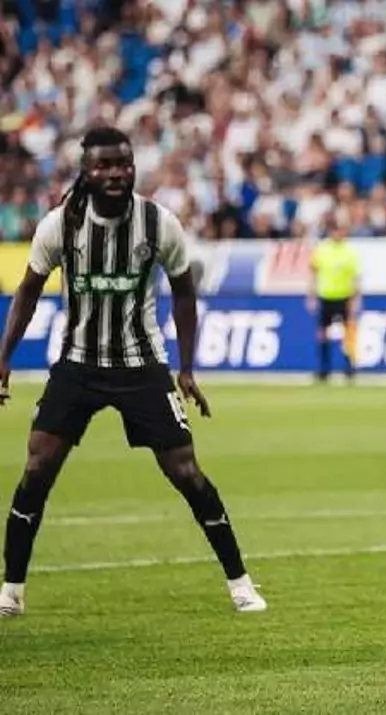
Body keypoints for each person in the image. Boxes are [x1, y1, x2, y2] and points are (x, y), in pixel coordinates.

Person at [0, 127, 266, 616]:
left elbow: (185, 291)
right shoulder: (59, 226)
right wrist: (4, 356)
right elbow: (28, 291)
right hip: (78, 363)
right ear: (86, 170)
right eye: (103, 165)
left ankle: (241, 583)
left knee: (185, 471)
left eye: (123, 163)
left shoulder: (158, 222)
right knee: (37, 468)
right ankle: (11, 591)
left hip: (142, 364)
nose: (115, 173)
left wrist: (186, 368)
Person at [307, 231, 361, 382]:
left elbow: (355, 277)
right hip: (326, 296)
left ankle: (349, 367)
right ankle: (324, 369)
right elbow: (313, 273)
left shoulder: (349, 251)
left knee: (348, 332)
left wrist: (355, 299)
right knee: (322, 333)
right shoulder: (322, 249)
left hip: (344, 296)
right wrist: (311, 295)